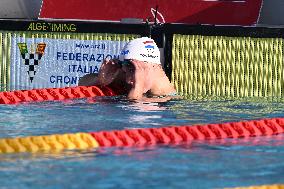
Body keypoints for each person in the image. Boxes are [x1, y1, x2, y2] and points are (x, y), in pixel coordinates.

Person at [79, 37, 177, 100]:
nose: (128, 79)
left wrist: (137, 89)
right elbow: (82, 82)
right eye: (126, 70)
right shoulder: (129, 76)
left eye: (133, 68)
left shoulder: (165, 99)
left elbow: (132, 117)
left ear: (151, 66)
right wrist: (100, 80)